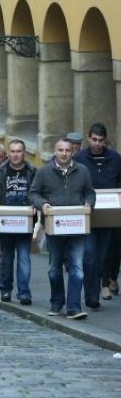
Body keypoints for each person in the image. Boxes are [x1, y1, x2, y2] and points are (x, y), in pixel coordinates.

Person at [29, 137, 95, 320]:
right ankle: (57, 302)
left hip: (77, 227)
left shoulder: (82, 171)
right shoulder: (44, 172)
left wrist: (90, 204)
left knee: (77, 268)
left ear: (72, 151)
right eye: (61, 150)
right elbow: (33, 193)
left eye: (68, 150)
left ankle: (74, 307)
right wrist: (43, 205)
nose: (64, 153)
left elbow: (90, 192)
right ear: (55, 151)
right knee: (54, 269)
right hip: (54, 227)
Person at [74, 122, 121, 309]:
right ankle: (91, 295)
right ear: (88, 138)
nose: (97, 144)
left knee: (103, 256)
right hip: (88, 215)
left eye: (100, 140)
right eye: (94, 139)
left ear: (105, 140)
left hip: (109, 215)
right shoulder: (79, 159)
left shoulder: (115, 159)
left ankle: (102, 284)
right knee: (90, 255)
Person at [0, 139, 36, 305]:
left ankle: (24, 292)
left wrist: (35, 206)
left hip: (26, 221)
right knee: (7, 258)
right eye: (13, 151)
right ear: (7, 154)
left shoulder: (32, 171)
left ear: (23, 152)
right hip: (6, 221)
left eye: (19, 151)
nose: (16, 154)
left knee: (24, 257)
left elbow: (38, 192)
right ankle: (5, 289)